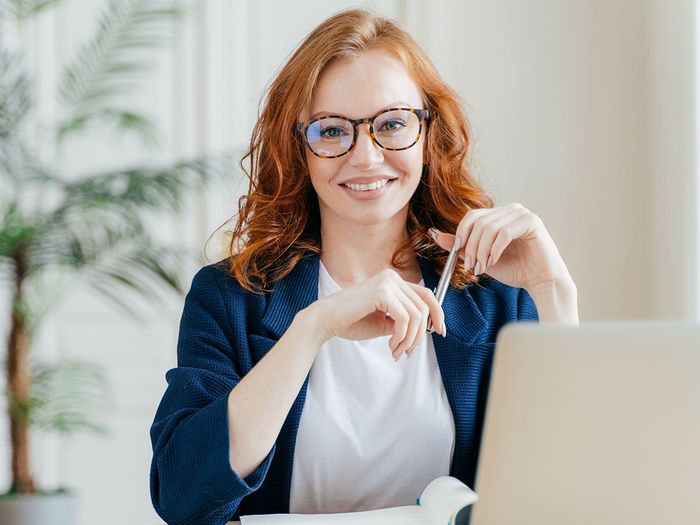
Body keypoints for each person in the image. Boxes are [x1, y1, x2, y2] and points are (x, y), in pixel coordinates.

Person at [149, 8, 579, 525]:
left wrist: (551, 289)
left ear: (428, 134)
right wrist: (313, 328)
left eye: (393, 123)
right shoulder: (230, 296)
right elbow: (182, 496)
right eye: (332, 131)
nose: (366, 157)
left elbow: (563, 486)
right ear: (298, 148)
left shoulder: (490, 297)